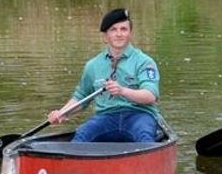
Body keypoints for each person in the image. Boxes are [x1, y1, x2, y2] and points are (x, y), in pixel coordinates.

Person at [47, 8, 162, 142]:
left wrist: (123, 91)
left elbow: (150, 96)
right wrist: (62, 113)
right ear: (105, 36)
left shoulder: (144, 62)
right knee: (81, 137)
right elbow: (81, 97)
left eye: (123, 29)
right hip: (105, 117)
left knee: (145, 138)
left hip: (140, 115)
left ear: (130, 33)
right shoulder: (93, 65)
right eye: (113, 29)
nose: (119, 34)